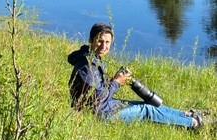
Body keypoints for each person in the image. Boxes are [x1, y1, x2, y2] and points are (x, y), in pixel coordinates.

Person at [68, 22, 205, 129]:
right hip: (98, 114)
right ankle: (194, 124)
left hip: (104, 106)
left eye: (108, 42)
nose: (104, 46)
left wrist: (114, 79)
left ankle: (186, 114)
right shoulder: (86, 65)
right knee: (147, 110)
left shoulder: (93, 58)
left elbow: (97, 90)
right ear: (91, 40)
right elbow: (97, 98)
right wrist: (116, 82)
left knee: (143, 103)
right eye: (100, 41)